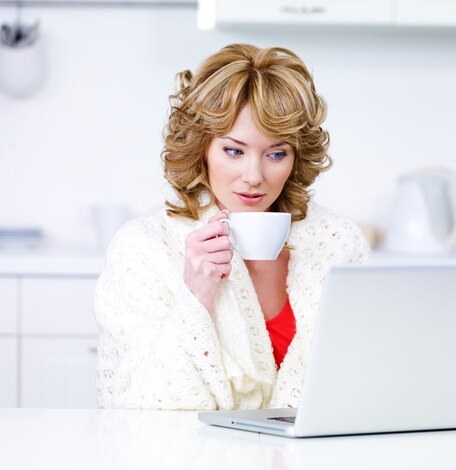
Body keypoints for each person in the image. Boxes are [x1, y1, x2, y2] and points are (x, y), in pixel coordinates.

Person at [95, 43, 371, 411]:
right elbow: (142, 409)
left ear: (296, 157)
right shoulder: (144, 247)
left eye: (276, 153)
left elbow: (365, 382)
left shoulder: (338, 244)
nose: (254, 177)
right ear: (202, 148)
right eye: (234, 151)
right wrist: (195, 294)